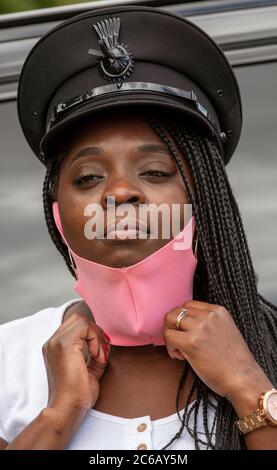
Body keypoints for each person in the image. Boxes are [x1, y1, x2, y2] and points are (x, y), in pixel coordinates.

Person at [0, 5, 276, 451]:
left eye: (155, 171)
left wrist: (248, 388)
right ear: (58, 215)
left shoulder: (269, 349)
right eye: (89, 178)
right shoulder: (7, 361)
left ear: (204, 201)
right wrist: (59, 415)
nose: (121, 192)